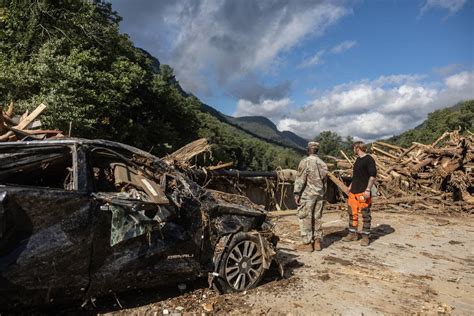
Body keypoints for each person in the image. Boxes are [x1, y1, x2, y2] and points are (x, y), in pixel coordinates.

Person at [293, 141, 328, 252]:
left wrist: (296, 193)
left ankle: (308, 244)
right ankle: (317, 242)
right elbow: (325, 182)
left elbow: (300, 179)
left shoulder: (305, 162)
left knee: (305, 217)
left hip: (308, 195)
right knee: (317, 217)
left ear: (308, 149)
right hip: (320, 194)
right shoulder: (323, 163)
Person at [342, 141, 377, 246]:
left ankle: (366, 237)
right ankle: (352, 234)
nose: (353, 150)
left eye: (354, 148)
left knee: (365, 214)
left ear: (357, 148)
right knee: (352, 213)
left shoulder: (369, 159)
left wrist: (368, 189)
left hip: (363, 191)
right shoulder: (357, 160)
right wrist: (351, 186)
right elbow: (356, 175)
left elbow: (372, 176)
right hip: (354, 192)